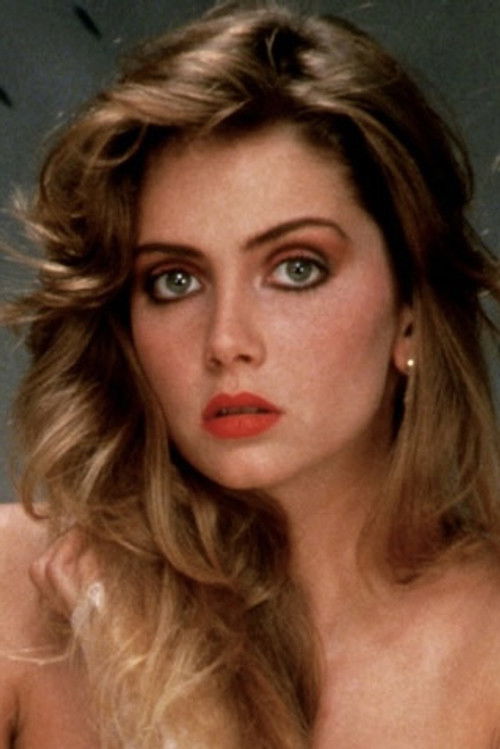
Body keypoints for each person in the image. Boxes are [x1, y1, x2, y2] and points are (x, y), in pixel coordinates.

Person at [1, 2, 499, 746]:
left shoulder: (488, 644)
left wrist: (148, 695)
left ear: (410, 314)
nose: (226, 340)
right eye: (175, 280)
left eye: (297, 269)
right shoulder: (19, 592)